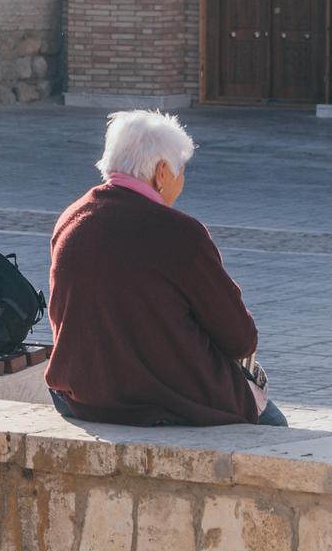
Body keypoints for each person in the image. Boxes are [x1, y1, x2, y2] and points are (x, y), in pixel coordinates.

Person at [45, 109, 287, 427]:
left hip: (82, 395)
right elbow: (240, 339)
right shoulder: (181, 234)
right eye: (180, 171)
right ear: (161, 173)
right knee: (274, 428)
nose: (181, 181)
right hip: (164, 400)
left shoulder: (72, 218)